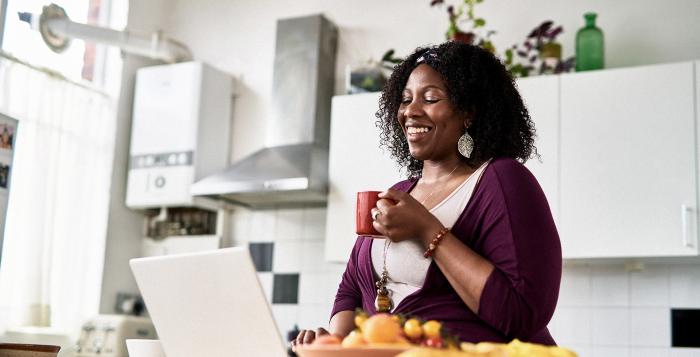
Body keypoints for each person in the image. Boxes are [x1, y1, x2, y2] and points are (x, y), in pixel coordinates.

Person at [292, 41, 562, 350]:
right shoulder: (399, 194)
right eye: (405, 100)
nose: (410, 111)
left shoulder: (501, 180)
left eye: (431, 98)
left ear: (469, 113)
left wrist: (427, 229)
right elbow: (352, 288)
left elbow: (522, 312)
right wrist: (336, 340)